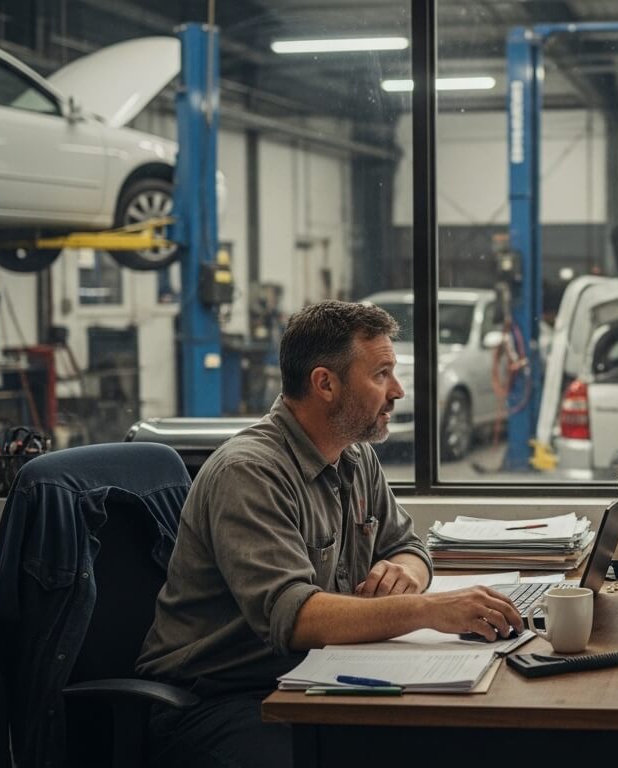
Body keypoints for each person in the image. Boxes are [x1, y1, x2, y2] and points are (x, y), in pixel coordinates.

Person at [137, 300, 524, 768]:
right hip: (218, 701)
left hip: (313, 678)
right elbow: (295, 617)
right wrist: (427, 609)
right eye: (381, 374)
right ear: (325, 383)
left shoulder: (354, 457)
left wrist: (404, 573)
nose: (397, 391)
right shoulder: (250, 473)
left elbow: (409, 545)